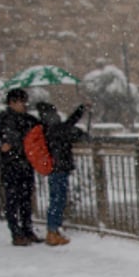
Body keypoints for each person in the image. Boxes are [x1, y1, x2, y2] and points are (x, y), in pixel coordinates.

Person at [35, 101, 89, 246]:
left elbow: (68, 125)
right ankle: (53, 232)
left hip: (54, 167)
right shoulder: (56, 129)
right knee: (58, 199)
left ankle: (53, 231)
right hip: (59, 168)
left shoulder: (46, 128)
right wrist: (81, 113)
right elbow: (70, 129)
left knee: (56, 198)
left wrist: (81, 109)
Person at [0, 88, 42, 246]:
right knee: (12, 199)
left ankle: (27, 230)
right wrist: (0, 145)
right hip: (10, 164)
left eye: (24, 101)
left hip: (26, 163)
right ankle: (16, 232)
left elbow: (41, 133)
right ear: (11, 103)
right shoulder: (1, 120)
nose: (23, 105)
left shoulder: (30, 120)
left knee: (26, 199)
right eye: (20, 102)